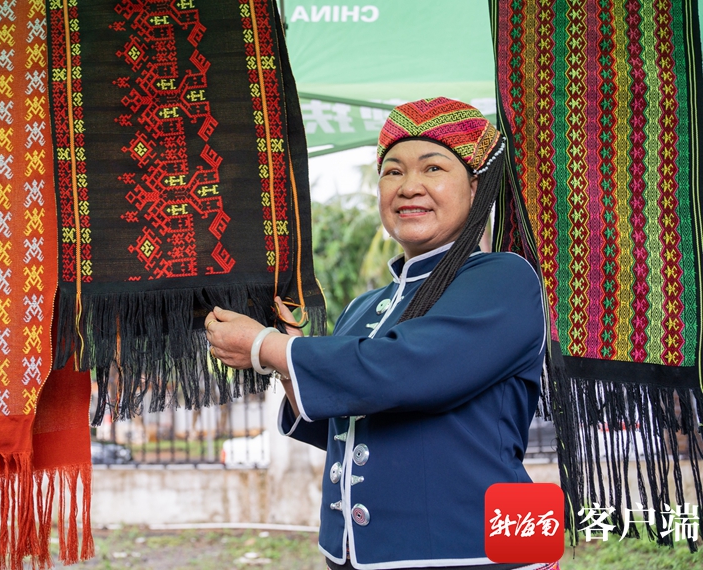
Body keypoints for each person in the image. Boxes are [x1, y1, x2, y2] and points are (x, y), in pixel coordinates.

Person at [205, 98, 558, 570]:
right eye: (393, 172)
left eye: (433, 168)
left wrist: (267, 346)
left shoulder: (504, 278)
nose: (409, 186)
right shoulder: (364, 306)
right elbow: (344, 422)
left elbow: (405, 370)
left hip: (477, 555)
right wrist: (284, 359)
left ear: (476, 188)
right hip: (355, 557)